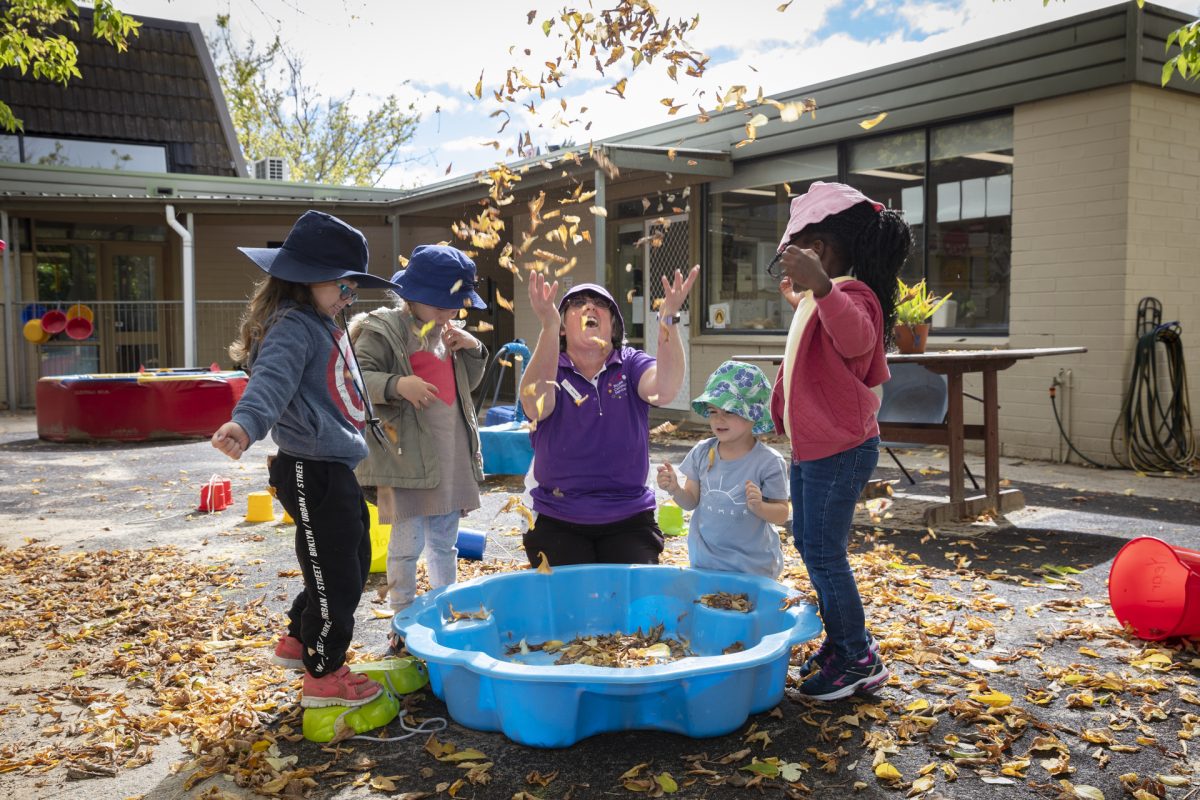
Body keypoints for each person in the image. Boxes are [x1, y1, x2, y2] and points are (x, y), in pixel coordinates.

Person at [211, 210, 401, 709]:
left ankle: (299, 637)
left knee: (353, 562)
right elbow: (269, 383)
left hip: (332, 467)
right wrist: (244, 425)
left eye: (353, 289)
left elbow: (342, 388)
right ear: (304, 278)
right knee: (336, 573)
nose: (348, 297)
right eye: (343, 286)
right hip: (308, 469)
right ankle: (323, 673)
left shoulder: (323, 321)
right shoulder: (294, 327)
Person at [767, 181, 911, 701]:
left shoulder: (853, 295)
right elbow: (807, 360)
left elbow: (858, 340)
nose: (785, 268)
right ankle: (844, 639)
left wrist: (823, 290)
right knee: (809, 541)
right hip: (815, 447)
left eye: (790, 257)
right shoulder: (820, 300)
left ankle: (856, 655)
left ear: (818, 252)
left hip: (843, 447)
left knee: (824, 550)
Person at [350, 245, 488, 652]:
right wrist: (397, 385)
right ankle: (402, 622)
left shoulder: (446, 331)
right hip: (404, 461)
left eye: (457, 308)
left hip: (449, 456)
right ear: (417, 295)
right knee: (406, 546)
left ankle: (448, 612)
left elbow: (469, 384)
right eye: (446, 306)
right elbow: (359, 377)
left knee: (445, 542)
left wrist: (473, 348)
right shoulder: (385, 328)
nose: (453, 315)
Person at [519, 266, 699, 567]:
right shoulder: (552, 365)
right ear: (563, 327)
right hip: (556, 515)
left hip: (628, 515)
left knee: (632, 603)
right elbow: (535, 405)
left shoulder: (630, 364)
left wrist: (668, 317)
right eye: (577, 304)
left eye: (600, 304)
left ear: (614, 328)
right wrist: (548, 327)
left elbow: (664, 390)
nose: (590, 306)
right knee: (571, 607)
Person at [656, 360, 790, 579]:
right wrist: (675, 490)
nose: (718, 419)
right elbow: (690, 502)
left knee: (750, 613)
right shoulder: (702, 452)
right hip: (706, 563)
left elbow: (782, 514)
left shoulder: (768, 462)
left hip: (753, 567)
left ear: (752, 414)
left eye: (729, 411)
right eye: (712, 411)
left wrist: (759, 507)